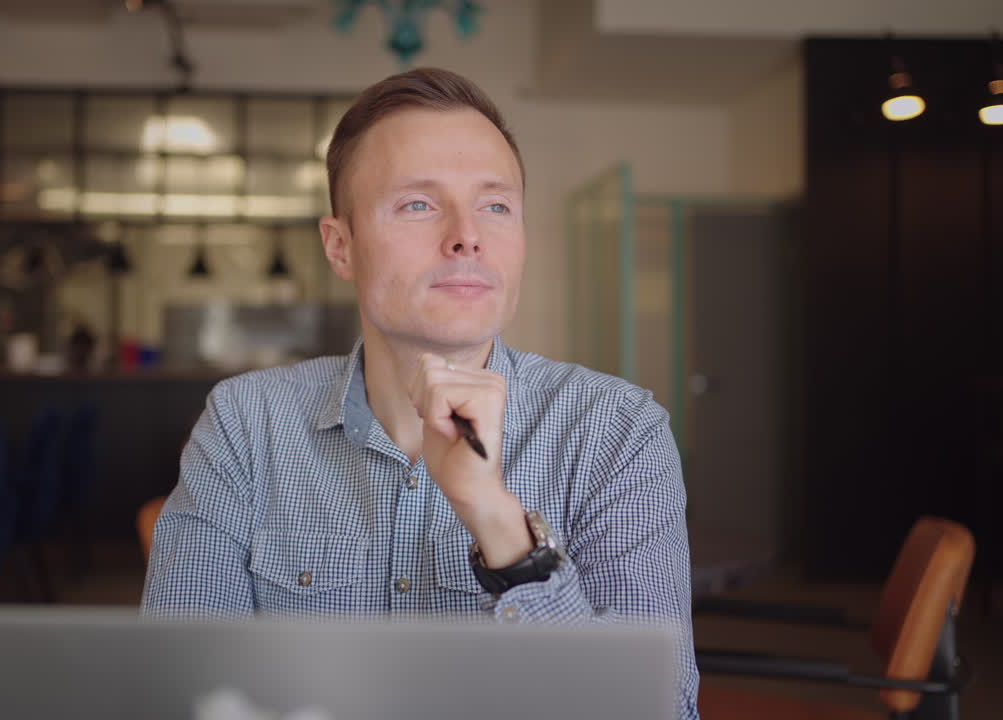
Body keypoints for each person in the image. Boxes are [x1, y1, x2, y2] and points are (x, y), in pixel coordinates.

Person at [143, 67, 699, 719]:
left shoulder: (619, 432)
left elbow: (662, 711)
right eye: (418, 203)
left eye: (496, 205)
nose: (468, 235)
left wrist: (498, 521)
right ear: (341, 246)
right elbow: (174, 694)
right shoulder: (245, 423)